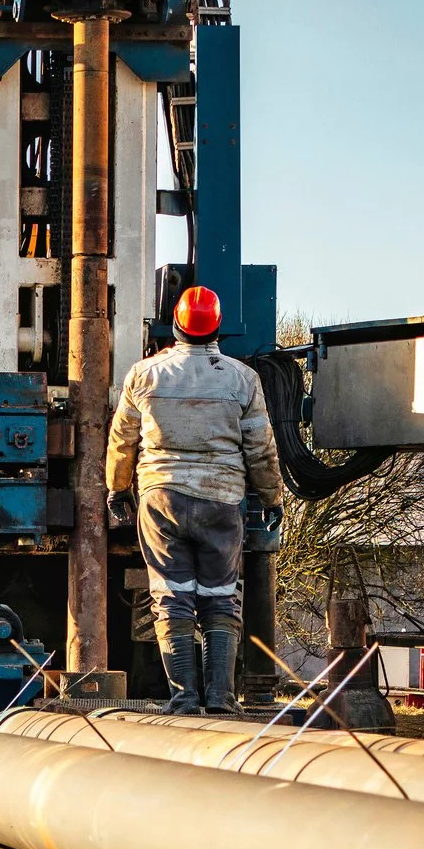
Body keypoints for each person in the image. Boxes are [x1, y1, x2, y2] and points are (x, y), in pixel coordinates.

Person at [105, 286, 283, 714]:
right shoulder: (242, 378)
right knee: (221, 599)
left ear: (177, 324)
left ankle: (184, 700)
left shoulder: (144, 374)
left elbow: (122, 439)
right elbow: (260, 447)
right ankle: (220, 699)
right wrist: (271, 496)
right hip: (221, 502)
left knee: (172, 597)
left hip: (161, 500)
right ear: (217, 326)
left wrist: (116, 487)